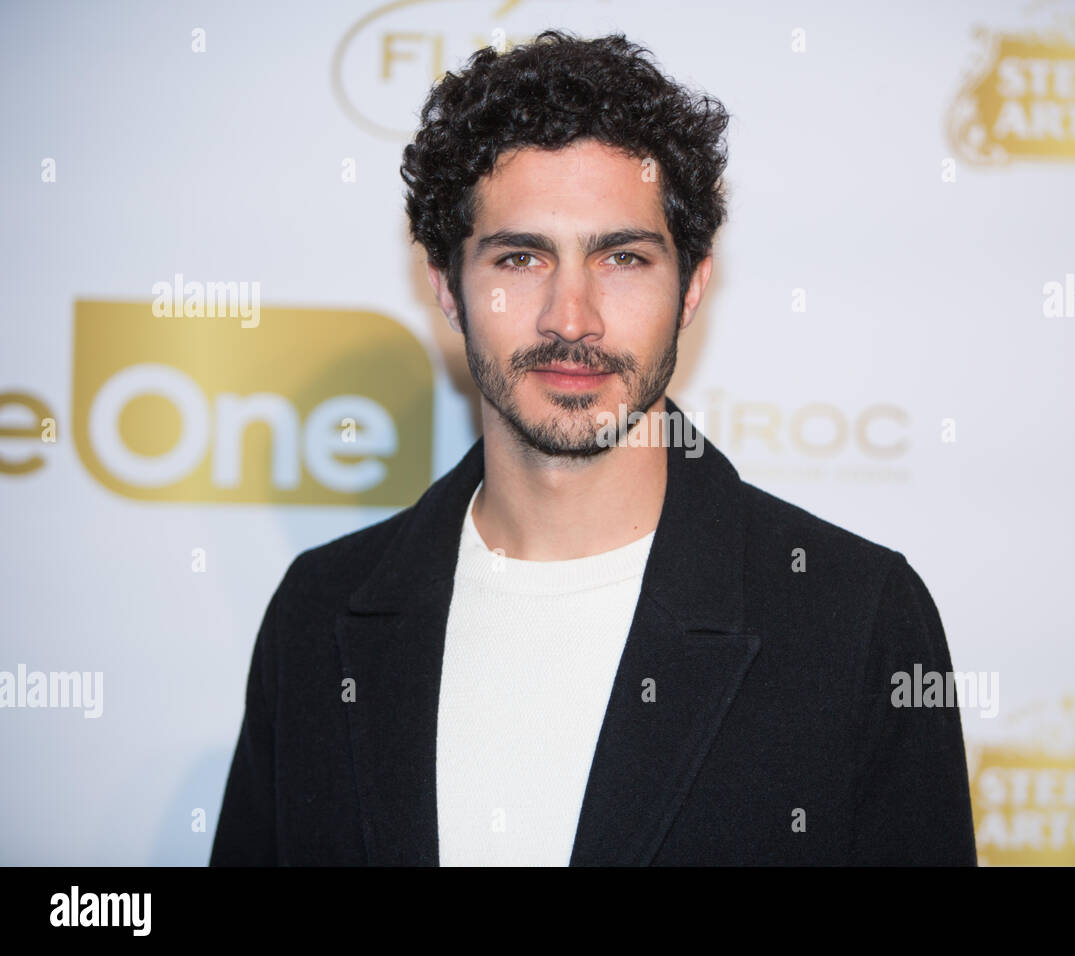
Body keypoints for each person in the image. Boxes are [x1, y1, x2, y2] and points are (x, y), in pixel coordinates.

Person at [210, 29, 977, 866]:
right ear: (445, 287)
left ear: (692, 288)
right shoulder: (318, 613)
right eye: (520, 256)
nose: (570, 317)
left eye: (621, 258)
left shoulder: (854, 617)